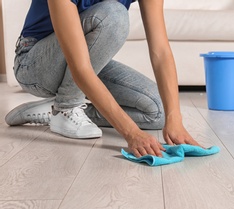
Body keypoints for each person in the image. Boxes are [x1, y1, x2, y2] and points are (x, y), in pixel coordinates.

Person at [5, 0, 200, 158]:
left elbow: (161, 52)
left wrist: (175, 119)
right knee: (114, 14)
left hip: (82, 59)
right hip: (34, 64)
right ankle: (66, 107)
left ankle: (55, 111)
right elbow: (80, 68)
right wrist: (131, 133)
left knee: (158, 111)